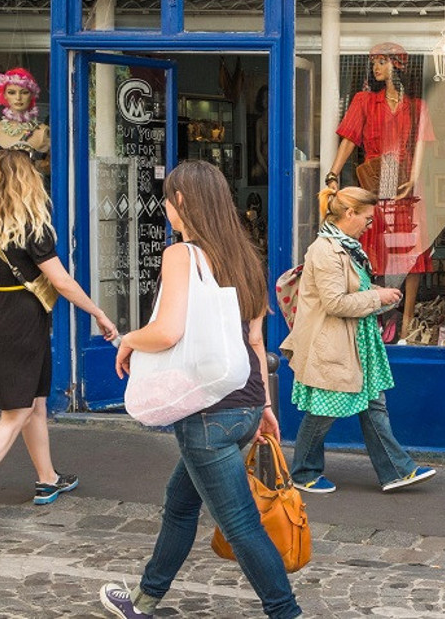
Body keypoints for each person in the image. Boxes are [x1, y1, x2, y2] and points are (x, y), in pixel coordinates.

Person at [99, 161, 301, 619]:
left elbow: (168, 331)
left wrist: (128, 339)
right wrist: (265, 405)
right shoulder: (246, 256)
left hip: (207, 411)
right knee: (180, 504)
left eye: (168, 199)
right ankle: (145, 601)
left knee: (242, 524)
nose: (166, 208)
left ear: (183, 202)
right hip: (245, 402)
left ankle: (286, 613)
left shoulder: (182, 255)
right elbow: (255, 341)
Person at [0, 150, 118, 530]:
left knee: (34, 400)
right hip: (21, 319)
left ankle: (47, 479)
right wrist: (98, 313)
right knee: (16, 412)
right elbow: (62, 281)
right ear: (29, 183)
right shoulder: (32, 227)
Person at [280, 185, 436, 494]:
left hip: (356, 342)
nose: (369, 225)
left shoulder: (346, 246)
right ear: (349, 213)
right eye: (366, 218)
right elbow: (335, 303)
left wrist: (380, 296)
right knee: (324, 411)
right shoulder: (326, 251)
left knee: (374, 405)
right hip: (334, 344)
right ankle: (303, 472)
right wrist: (376, 297)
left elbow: (351, 294)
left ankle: (396, 470)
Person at [325, 42, 433, 342]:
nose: (376, 67)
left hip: (404, 185)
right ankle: (374, 317)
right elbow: (349, 139)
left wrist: (413, 178)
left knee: (411, 257)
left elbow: (422, 143)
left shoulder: (417, 106)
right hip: (375, 182)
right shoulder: (364, 100)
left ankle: (408, 321)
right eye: (374, 61)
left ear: (397, 65)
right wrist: (333, 173)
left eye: (383, 61)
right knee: (374, 253)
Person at [0, 67, 50, 175]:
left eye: (24, 92)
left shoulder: (42, 131)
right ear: (4, 95)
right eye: (12, 92)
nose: (18, 97)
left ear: (32, 95)